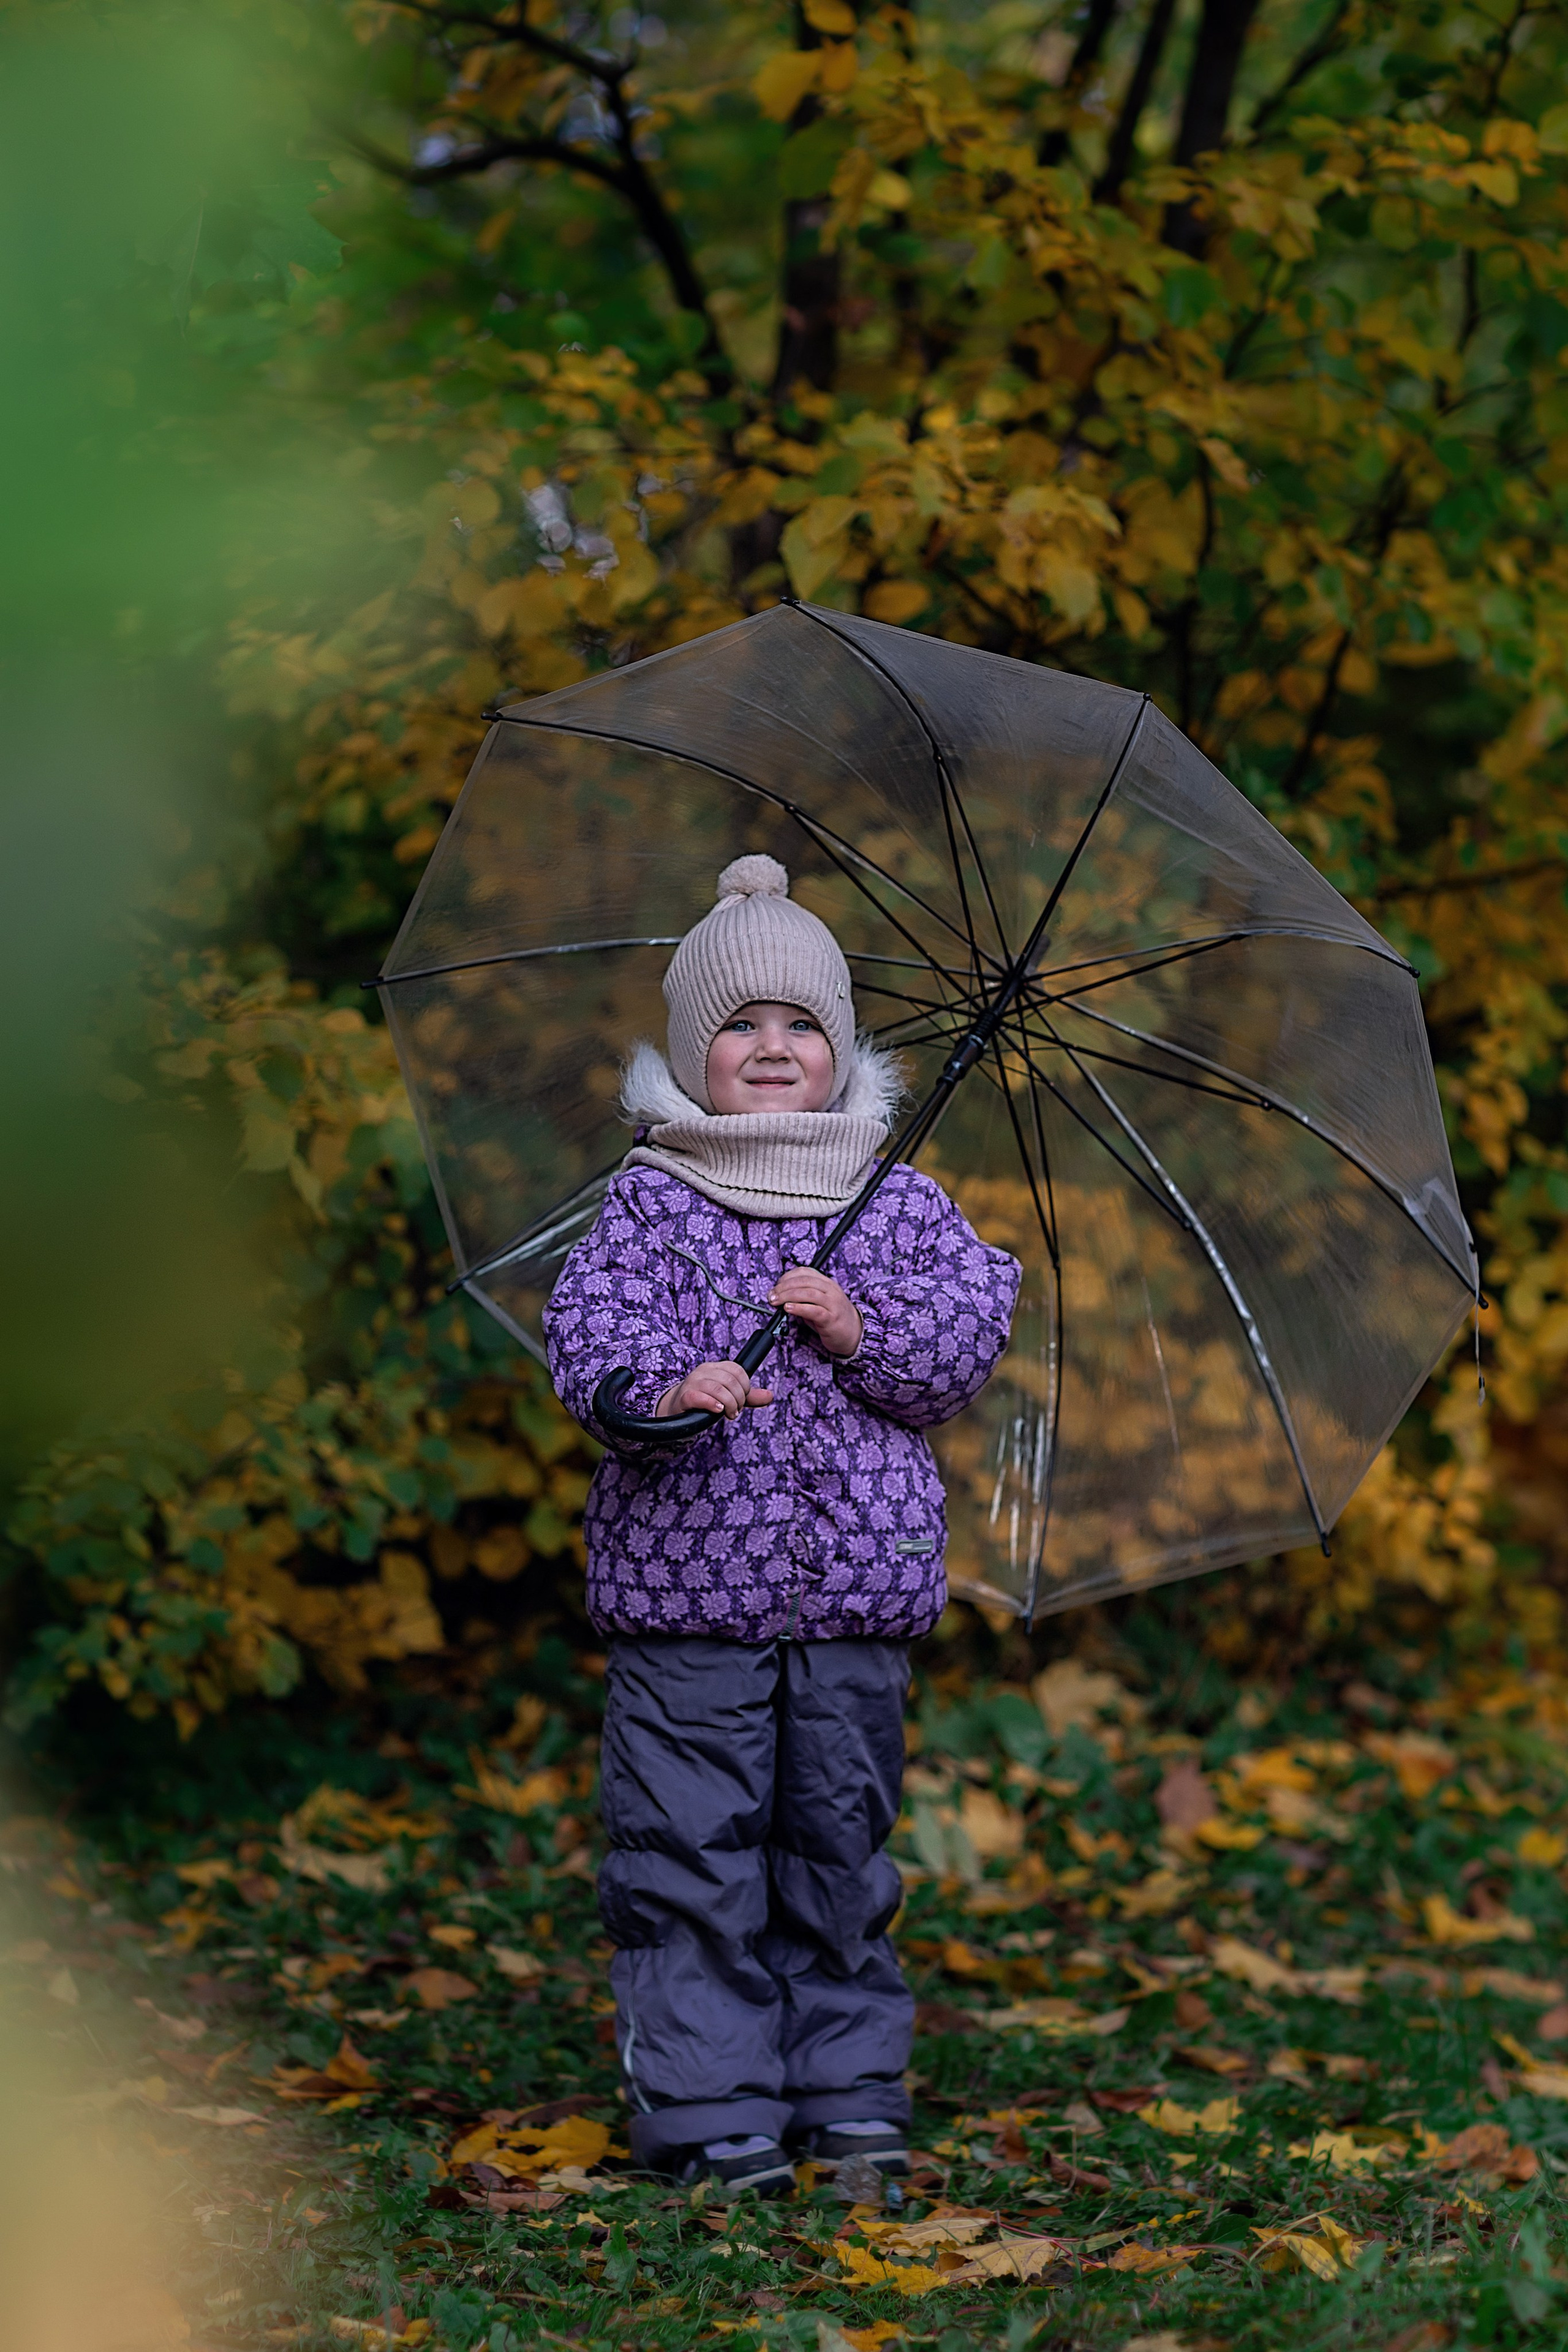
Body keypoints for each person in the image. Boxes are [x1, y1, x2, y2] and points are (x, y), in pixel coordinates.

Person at [544, 854, 1020, 2196]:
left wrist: (861, 1330)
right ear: (693, 1053)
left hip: (853, 1604)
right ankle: (711, 2104)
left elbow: (962, 1339)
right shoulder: (655, 1198)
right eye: (739, 1025)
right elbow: (592, 1334)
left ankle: (845, 2088)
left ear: (842, 1048)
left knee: (835, 1853)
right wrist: (667, 1391)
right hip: (689, 1601)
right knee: (688, 1852)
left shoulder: (897, 1199)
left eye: (801, 1023)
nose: (770, 1046)